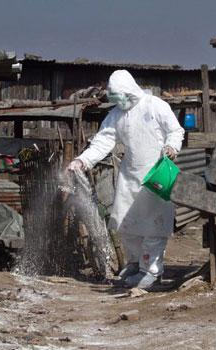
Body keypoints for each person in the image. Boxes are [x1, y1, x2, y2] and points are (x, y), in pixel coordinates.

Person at [68, 70, 184, 289]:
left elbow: (176, 131)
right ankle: (135, 264)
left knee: (153, 227)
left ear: (130, 91)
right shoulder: (116, 115)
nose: (119, 101)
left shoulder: (155, 105)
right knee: (126, 224)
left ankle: (151, 272)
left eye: (121, 96)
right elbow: (102, 142)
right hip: (129, 176)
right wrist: (82, 161)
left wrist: (171, 147)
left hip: (156, 175)